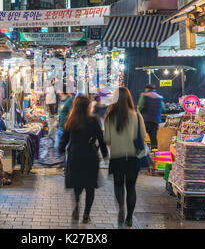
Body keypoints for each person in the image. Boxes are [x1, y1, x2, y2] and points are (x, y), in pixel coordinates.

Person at [59, 95, 108, 223]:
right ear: (87, 106)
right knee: (90, 187)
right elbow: (101, 139)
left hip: (75, 155)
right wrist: (105, 153)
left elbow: (64, 139)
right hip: (90, 156)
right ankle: (86, 214)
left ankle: (76, 203)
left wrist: (60, 150)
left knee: (77, 183)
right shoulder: (93, 120)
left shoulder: (71, 120)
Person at [105, 87, 147, 227]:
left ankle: (121, 207)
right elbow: (143, 135)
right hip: (133, 156)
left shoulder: (110, 116)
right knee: (131, 187)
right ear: (129, 98)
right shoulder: (136, 115)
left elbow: (107, 139)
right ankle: (129, 218)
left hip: (117, 156)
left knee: (118, 185)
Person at [137, 84, 166, 150]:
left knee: (141, 136)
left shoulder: (144, 95)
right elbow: (164, 109)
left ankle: (141, 152)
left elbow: (140, 107)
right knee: (153, 137)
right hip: (155, 121)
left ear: (146, 89)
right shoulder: (159, 97)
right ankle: (154, 153)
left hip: (145, 120)